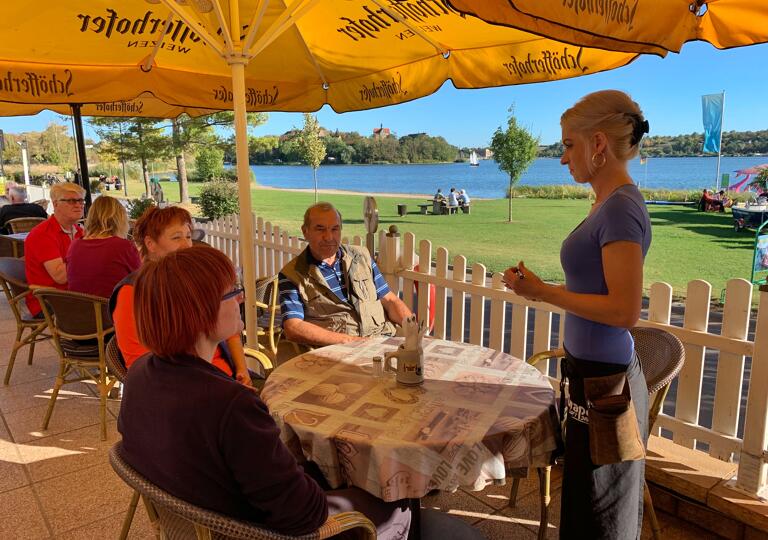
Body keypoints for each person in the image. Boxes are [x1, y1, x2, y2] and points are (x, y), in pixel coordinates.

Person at [117, 245, 412, 538]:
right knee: (396, 496)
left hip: (205, 518)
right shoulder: (230, 405)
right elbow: (304, 515)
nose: (242, 297)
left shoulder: (140, 374)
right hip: (264, 531)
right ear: (201, 312)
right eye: (232, 291)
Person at [503, 90, 651, 540]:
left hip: (609, 388)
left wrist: (546, 292)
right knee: (585, 505)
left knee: (603, 516)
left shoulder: (622, 207)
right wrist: (538, 289)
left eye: (569, 144)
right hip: (590, 377)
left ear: (598, 144)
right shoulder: (606, 204)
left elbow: (625, 311)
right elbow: (596, 291)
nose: (564, 157)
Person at [108, 206, 252, 387]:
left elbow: (229, 329)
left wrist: (242, 369)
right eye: (176, 237)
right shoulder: (133, 292)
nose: (186, 245)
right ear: (150, 244)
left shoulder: (190, 279)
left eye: (188, 236)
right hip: (186, 388)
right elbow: (138, 362)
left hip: (227, 375)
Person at [279, 202, 413, 348]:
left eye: (335, 229)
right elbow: (293, 326)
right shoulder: (292, 274)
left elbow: (390, 300)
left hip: (382, 341)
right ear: (305, 232)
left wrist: (413, 329)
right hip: (339, 351)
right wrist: (351, 341)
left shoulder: (362, 257)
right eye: (320, 229)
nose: (329, 237)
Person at [24, 182, 85, 317]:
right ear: (55, 204)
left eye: (81, 200)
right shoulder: (43, 234)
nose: (78, 205)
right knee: (113, 307)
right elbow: (61, 277)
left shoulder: (79, 231)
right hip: (49, 301)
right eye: (71, 200)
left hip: (75, 295)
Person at [66, 196, 140, 298]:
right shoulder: (123, 247)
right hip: (112, 311)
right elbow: (142, 281)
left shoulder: (75, 245)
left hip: (79, 311)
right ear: (120, 219)